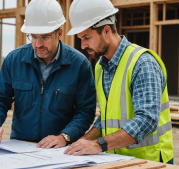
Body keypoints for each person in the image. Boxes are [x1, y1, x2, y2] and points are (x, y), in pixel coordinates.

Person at [64, 0, 173, 164]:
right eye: (80, 38)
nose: (83, 45)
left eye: (86, 37)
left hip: (148, 161)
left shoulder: (142, 64)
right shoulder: (101, 67)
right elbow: (107, 118)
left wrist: (99, 145)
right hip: (116, 158)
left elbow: (147, 120)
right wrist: (85, 140)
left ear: (106, 31)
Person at [0, 0, 96, 149]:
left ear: (59, 33)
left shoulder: (79, 64)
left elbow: (85, 111)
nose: (38, 44)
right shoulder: (14, 60)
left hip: (60, 150)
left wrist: (65, 136)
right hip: (20, 147)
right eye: (33, 36)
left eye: (45, 37)